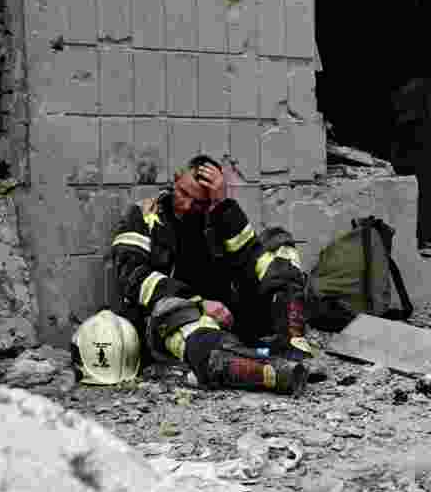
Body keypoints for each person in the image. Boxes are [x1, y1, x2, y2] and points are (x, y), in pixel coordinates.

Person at [110, 154, 313, 396]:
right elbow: (131, 276)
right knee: (179, 316)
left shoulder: (218, 215)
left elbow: (251, 260)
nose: (186, 205)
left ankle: (294, 348)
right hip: (181, 319)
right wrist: (199, 302)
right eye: (183, 193)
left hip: (230, 317)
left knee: (280, 247)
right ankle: (272, 373)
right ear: (175, 181)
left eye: (197, 202)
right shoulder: (145, 216)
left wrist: (223, 207)